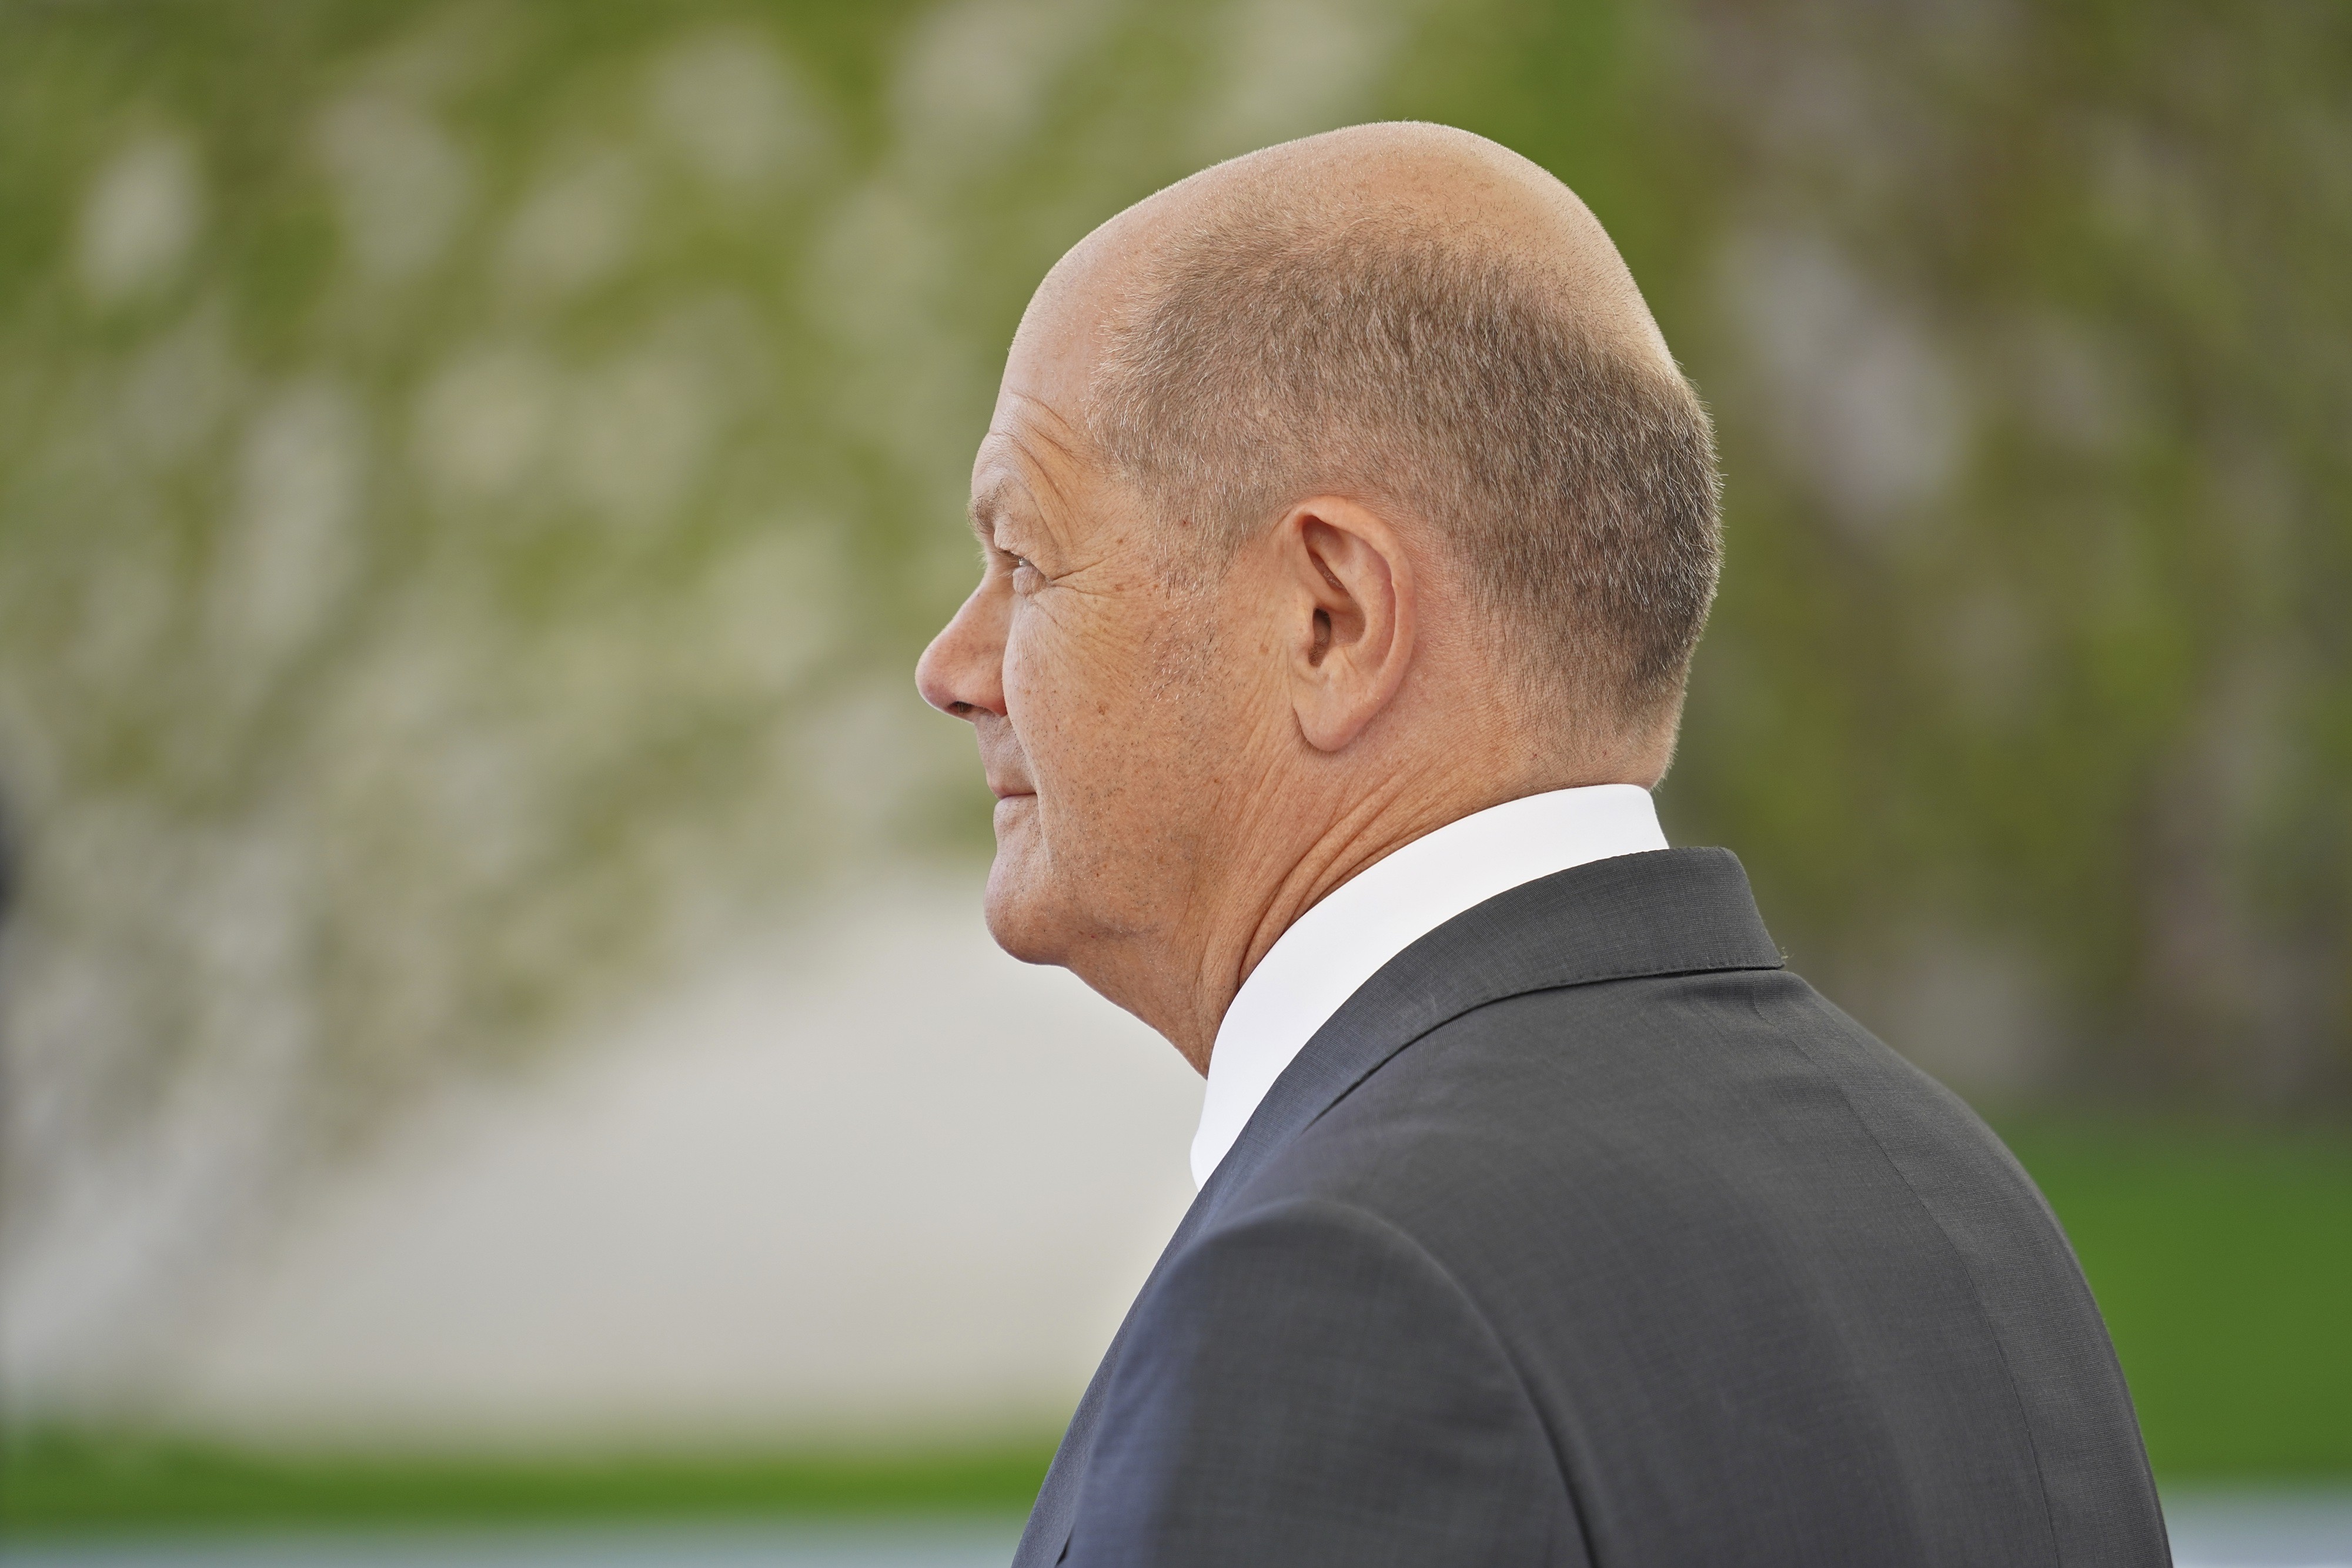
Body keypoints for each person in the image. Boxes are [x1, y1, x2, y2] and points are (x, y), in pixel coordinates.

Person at [916, 122, 2166, 1567]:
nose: (954, 666)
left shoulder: (1341, 1287)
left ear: (1330, 617)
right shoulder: (1951, 1200)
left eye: (1024, 560)